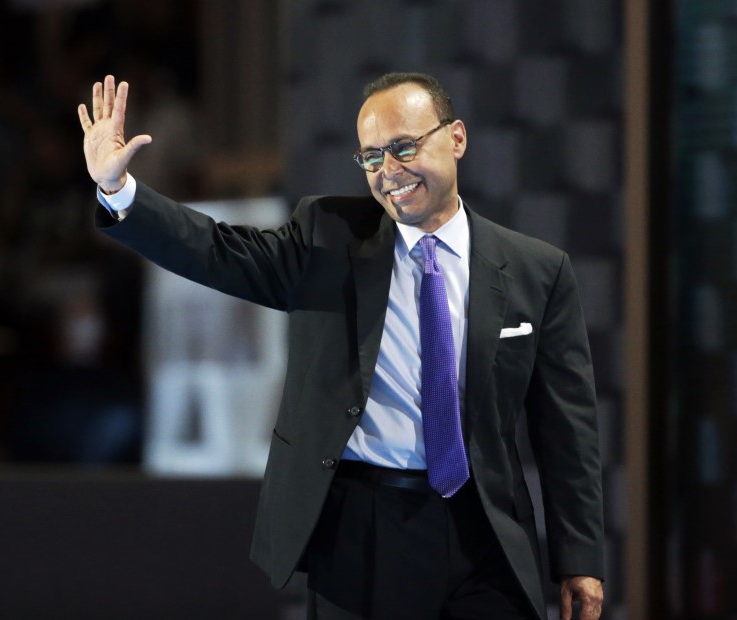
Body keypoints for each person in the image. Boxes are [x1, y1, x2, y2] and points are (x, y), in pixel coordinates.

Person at [78, 72, 604, 620]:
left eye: (403, 147)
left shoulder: (538, 270)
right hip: (363, 532)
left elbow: (567, 430)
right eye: (372, 157)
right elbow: (216, 250)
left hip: (486, 532)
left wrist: (580, 558)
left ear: (457, 138)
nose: (388, 172)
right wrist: (120, 192)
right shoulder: (327, 237)